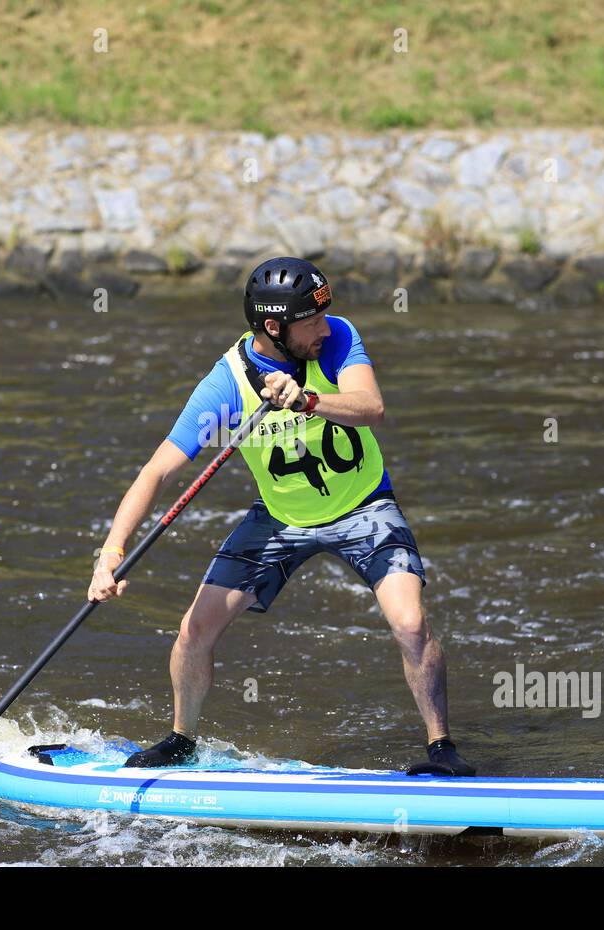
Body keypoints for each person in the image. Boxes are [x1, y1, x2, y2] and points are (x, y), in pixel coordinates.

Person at [87, 256, 473, 776]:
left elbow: (372, 407)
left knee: (410, 622)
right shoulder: (225, 386)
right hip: (280, 517)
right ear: (273, 327)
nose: (323, 327)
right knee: (194, 629)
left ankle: (441, 749)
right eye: (309, 321)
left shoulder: (336, 338)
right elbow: (158, 471)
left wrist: (310, 399)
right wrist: (111, 554)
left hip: (365, 506)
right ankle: (181, 740)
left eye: (323, 316)